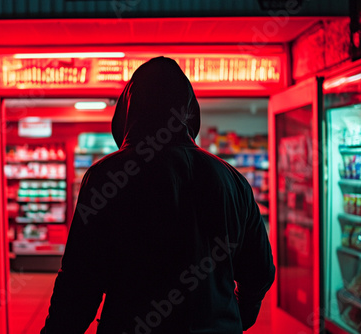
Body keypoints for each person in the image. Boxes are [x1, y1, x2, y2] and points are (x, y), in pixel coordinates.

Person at [41, 56, 275, 334]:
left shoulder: (107, 176)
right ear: (190, 112)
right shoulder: (232, 180)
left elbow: (79, 285)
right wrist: (233, 315)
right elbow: (259, 271)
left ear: (129, 111)